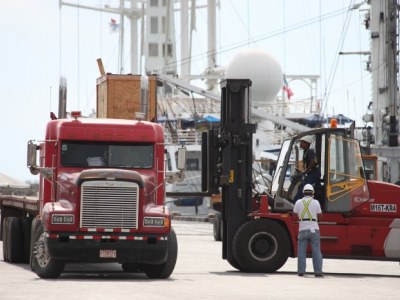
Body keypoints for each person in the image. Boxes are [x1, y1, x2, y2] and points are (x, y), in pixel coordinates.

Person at [293, 184, 323, 277]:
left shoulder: (298, 202)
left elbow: (294, 215)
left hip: (302, 229)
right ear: (312, 192)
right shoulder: (316, 202)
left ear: (303, 192)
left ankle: (301, 271)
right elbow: (320, 215)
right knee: (316, 251)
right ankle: (318, 272)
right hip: (314, 229)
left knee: (301, 251)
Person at [294, 135, 321, 200]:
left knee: (303, 187)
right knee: (301, 186)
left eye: (302, 142)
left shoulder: (309, 151)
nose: (300, 144)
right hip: (312, 173)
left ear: (306, 143)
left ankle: (297, 202)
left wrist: (307, 170)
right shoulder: (306, 151)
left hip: (314, 173)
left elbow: (313, 161)